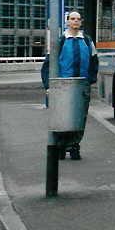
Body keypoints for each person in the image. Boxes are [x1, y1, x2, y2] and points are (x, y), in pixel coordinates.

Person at [41, 11, 99, 160]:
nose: (75, 21)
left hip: (81, 86)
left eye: (78, 19)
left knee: (80, 117)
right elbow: (47, 65)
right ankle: (61, 145)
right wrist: (48, 86)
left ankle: (74, 146)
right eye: (72, 19)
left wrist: (90, 80)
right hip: (64, 87)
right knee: (62, 116)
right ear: (67, 22)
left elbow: (94, 61)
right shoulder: (60, 41)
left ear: (81, 22)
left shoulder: (87, 41)